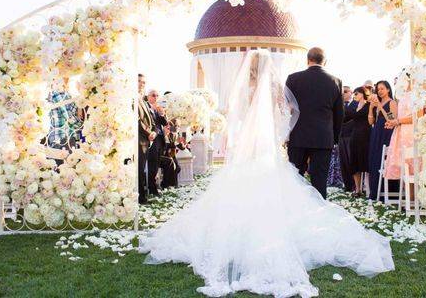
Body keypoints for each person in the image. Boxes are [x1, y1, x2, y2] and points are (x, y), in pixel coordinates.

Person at [139, 50, 394, 297]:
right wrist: (283, 134)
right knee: (302, 185)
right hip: (276, 143)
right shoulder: (279, 87)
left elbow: (238, 115)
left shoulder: (262, 86)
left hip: (251, 144)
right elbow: (290, 113)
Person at [286, 47, 344, 199]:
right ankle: (319, 215)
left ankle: (294, 210)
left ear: (307, 60)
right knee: (319, 182)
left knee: (294, 179)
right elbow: (339, 115)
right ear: (325, 61)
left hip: (298, 136)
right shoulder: (336, 81)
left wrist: (286, 134)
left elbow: (286, 110)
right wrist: (334, 139)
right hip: (323, 138)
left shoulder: (293, 79)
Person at [384, 73, 415, 196]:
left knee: (412, 165)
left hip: (410, 133)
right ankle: (408, 198)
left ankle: (412, 198)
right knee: (404, 166)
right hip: (401, 131)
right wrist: (393, 122)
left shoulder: (415, 95)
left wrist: (397, 121)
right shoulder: (402, 97)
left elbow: (417, 116)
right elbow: (398, 116)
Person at [367, 80, 397, 200]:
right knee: (374, 159)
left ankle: (388, 191)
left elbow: (392, 119)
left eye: (382, 89)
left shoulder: (392, 102)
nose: (379, 91)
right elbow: (370, 122)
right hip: (376, 134)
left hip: (387, 134)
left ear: (388, 89)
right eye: (378, 89)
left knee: (384, 160)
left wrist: (380, 107)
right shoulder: (377, 102)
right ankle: (375, 191)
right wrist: (371, 108)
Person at [344, 86, 371, 195]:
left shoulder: (369, 105)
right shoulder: (353, 105)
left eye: (357, 93)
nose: (354, 95)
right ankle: (358, 189)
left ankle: (368, 189)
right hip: (354, 135)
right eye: (354, 94)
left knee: (365, 160)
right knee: (354, 161)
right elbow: (345, 118)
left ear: (363, 94)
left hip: (366, 135)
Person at [138, 74, 155, 204]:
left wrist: (153, 131)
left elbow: (150, 120)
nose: (141, 84)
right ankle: (141, 197)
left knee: (143, 168)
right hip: (139, 139)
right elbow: (138, 120)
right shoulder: (133, 99)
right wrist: (148, 132)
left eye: (143, 82)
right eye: (138, 81)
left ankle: (144, 196)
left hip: (147, 139)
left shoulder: (143, 101)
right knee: (140, 169)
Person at [146, 89, 167, 196]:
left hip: (160, 140)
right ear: (148, 97)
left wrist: (162, 114)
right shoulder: (146, 107)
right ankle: (152, 188)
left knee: (157, 164)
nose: (155, 97)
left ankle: (155, 185)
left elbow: (165, 123)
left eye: (157, 95)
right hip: (151, 139)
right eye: (153, 95)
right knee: (152, 165)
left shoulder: (159, 108)